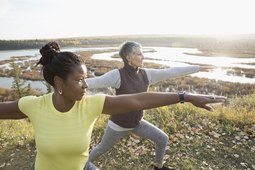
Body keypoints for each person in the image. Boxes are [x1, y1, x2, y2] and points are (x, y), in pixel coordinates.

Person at [0, 42, 226, 170]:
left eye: (86, 78)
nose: (86, 85)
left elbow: (138, 100)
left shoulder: (90, 104)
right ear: (59, 82)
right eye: (80, 80)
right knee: (99, 151)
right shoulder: (33, 105)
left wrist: (185, 95)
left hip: (84, 165)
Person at [86, 41, 213, 170]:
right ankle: (80, 165)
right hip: (118, 126)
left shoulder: (146, 74)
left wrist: (197, 68)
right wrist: (66, 87)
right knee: (100, 149)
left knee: (162, 138)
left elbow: (171, 72)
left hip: (137, 123)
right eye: (139, 54)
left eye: (142, 53)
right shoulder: (117, 75)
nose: (143, 57)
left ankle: (158, 166)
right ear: (128, 58)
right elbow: (93, 82)